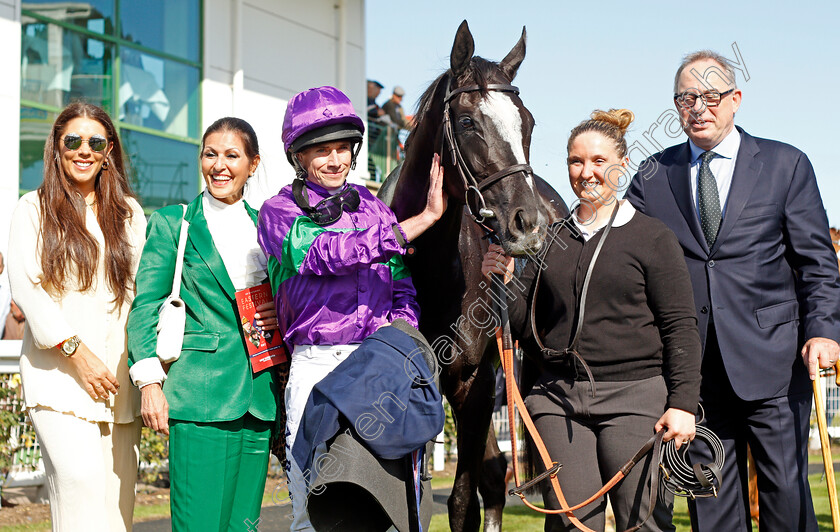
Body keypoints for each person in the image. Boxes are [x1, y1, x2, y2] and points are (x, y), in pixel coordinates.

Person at [624, 50, 840, 532]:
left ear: (735, 99)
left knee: (785, 491)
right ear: (676, 106)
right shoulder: (652, 176)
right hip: (693, 371)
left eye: (711, 95)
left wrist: (824, 330)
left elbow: (817, 263)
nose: (699, 107)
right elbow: (618, 246)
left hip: (775, 362)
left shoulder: (786, 164)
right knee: (710, 497)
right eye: (686, 97)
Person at [483, 109, 701, 531]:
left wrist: (682, 406)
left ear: (621, 164)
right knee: (570, 525)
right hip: (559, 401)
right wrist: (506, 282)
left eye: (598, 161)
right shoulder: (549, 239)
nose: (586, 173)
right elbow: (527, 331)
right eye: (575, 161)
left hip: (635, 397)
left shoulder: (653, 238)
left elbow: (680, 327)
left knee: (644, 522)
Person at [257, 85, 445, 530]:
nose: (336, 160)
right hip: (317, 365)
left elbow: (402, 287)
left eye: (343, 148)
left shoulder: (377, 210)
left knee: (390, 499)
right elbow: (323, 254)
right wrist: (418, 223)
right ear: (299, 156)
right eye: (322, 150)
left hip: (376, 366)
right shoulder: (278, 211)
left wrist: (400, 334)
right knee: (312, 503)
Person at [127, 117, 283, 531]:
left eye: (232, 155)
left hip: (258, 397)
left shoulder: (268, 226)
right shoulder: (172, 224)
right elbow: (145, 307)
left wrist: (280, 314)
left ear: (253, 164)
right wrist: (150, 384)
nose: (220, 165)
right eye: (210, 154)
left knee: (242, 527)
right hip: (199, 397)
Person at [8, 102, 147, 531]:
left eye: (95, 142)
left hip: (120, 389)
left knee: (116, 513)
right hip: (60, 381)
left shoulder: (129, 213)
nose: (83, 150)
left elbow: (147, 291)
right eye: (73, 141)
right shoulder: (33, 208)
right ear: (57, 148)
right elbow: (27, 290)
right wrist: (78, 353)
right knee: (80, 491)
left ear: (109, 151)